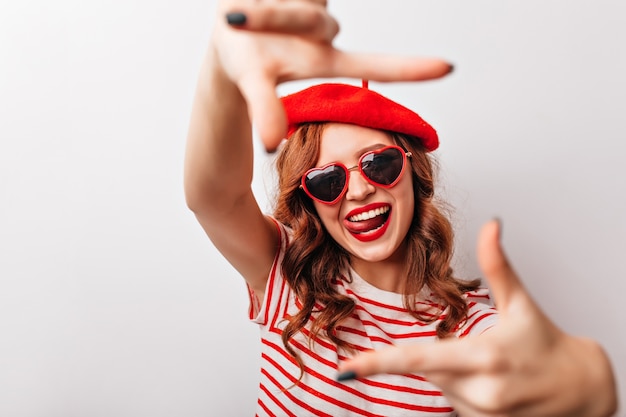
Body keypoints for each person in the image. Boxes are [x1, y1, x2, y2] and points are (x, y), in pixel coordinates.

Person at [184, 1, 618, 416]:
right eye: (327, 180)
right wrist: (223, 70)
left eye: (378, 163)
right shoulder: (284, 276)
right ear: (311, 201)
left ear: (414, 171)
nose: (356, 191)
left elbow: (521, 363)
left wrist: (584, 379)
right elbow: (214, 196)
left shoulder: (465, 327)